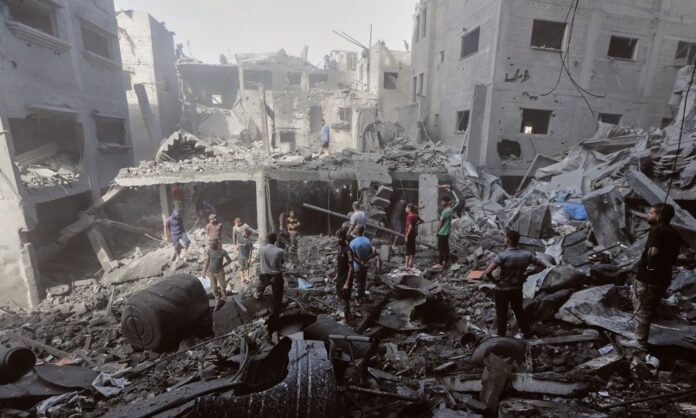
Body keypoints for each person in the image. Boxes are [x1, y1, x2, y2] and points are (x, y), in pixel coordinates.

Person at [629, 203, 684, 351]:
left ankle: (640, 343)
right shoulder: (675, 233)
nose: (648, 215)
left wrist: (647, 266)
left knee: (641, 309)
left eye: (651, 213)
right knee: (651, 307)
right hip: (664, 277)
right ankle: (644, 336)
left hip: (649, 277)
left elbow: (652, 252)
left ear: (659, 216)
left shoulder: (656, 231)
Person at [484, 230, 546, 338]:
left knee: (501, 314)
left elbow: (488, 272)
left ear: (508, 240)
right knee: (519, 311)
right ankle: (526, 334)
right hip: (516, 289)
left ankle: (502, 337)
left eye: (505, 237)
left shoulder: (502, 256)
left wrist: (496, 281)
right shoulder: (526, 255)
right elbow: (543, 266)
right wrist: (527, 274)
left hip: (502, 290)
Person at [255, 232, 285, 320]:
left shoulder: (261, 249)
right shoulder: (280, 251)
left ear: (267, 240)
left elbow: (258, 259)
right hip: (276, 276)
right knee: (277, 296)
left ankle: (258, 295)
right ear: (275, 240)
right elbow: (282, 261)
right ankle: (276, 314)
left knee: (260, 288)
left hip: (264, 274)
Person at [334, 228, 354, 323]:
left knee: (345, 298)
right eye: (337, 237)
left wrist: (347, 283)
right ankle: (348, 314)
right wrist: (337, 275)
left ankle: (346, 319)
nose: (338, 239)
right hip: (340, 277)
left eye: (340, 237)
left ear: (345, 237)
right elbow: (339, 265)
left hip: (346, 278)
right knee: (340, 295)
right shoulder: (340, 248)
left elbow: (351, 267)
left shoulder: (348, 250)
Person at [349, 225, 372, 304]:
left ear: (358, 231)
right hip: (365, 266)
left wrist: (359, 262)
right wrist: (365, 260)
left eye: (355, 229)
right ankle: (362, 297)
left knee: (357, 283)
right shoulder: (367, 240)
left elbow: (351, 256)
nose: (354, 230)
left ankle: (357, 299)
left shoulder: (353, 242)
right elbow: (371, 253)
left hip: (357, 267)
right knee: (363, 282)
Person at [432, 196, 453, 269]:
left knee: (441, 249)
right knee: (446, 248)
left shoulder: (446, 211)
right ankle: (446, 262)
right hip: (446, 232)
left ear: (446, 202)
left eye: (442, 201)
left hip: (442, 232)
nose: (441, 203)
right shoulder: (450, 210)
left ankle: (440, 264)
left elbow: (441, 222)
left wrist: (437, 231)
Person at [404, 204, 423, 269]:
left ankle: (406, 265)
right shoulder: (415, 215)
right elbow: (421, 221)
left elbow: (410, 227)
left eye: (406, 207)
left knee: (407, 249)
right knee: (412, 248)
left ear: (409, 209)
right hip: (413, 234)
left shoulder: (409, 216)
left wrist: (406, 236)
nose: (405, 209)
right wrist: (416, 224)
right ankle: (411, 262)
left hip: (409, 234)